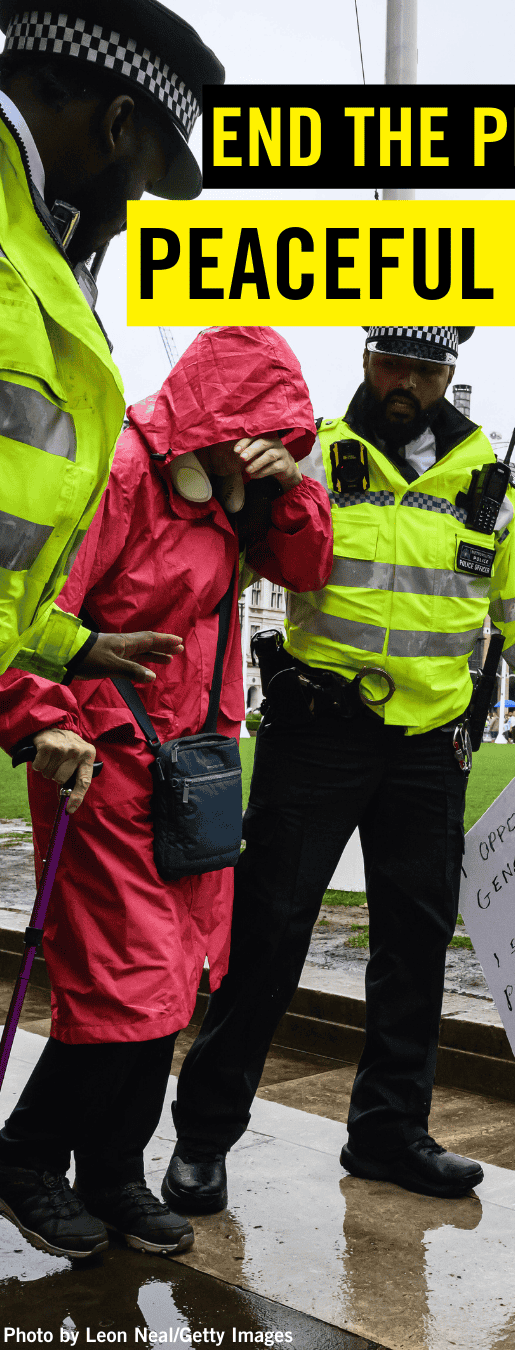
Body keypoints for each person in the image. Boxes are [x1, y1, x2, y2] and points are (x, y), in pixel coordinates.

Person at [165, 325, 515, 1213]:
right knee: (268, 936)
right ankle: (203, 1137)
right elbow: (228, 559)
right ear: (366, 359)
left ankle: (390, 1134)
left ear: (451, 373)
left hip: (430, 747)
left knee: (414, 948)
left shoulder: (488, 484)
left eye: (428, 369)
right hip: (318, 729)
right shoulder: (310, 452)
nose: (408, 383)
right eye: (394, 362)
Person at [0, 327, 333, 1261]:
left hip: (197, 771)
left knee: (178, 980)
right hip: (100, 763)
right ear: (213, 418)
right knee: (132, 982)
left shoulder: (232, 493)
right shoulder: (117, 475)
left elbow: (307, 570)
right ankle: (25, 1158)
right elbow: (25, 599)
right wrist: (38, 717)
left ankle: (111, 1173)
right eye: (252, 430)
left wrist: (288, 487)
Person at [0, 1, 224, 731]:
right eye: (142, 178)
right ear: (116, 123)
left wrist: (68, 644)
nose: (132, 211)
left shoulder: (30, 247)